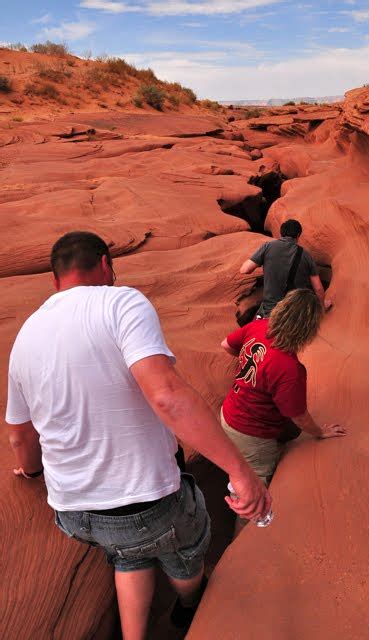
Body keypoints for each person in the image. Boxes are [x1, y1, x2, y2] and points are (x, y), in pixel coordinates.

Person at [5, 231, 271, 640]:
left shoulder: (26, 336)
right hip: (147, 503)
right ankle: (188, 605)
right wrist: (240, 472)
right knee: (183, 551)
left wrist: (30, 472)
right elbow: (166, 396)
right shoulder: (120, 302)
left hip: (74, 514)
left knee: (127, 555)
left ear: (55, 280)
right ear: (106, 264)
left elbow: (20, 437)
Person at [220, 288, 346, 490]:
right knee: (254, 484)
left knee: (239, 467)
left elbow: (226, 344)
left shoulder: (258, 326)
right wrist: (320, 432)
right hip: (251, 433)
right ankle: (248, 520)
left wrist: (252, 364)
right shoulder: (289, 368)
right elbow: (298, 416)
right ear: (308, 329)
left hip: (228, 413)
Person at [239, 218, 332, 318]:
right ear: (298, 235)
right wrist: (322, 306)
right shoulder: (306, 255)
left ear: (281, 233)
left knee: (254, 327)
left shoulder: (268, 247)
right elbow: (318, 289)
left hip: (269, 311)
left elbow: (244, 270)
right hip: (294, 313)